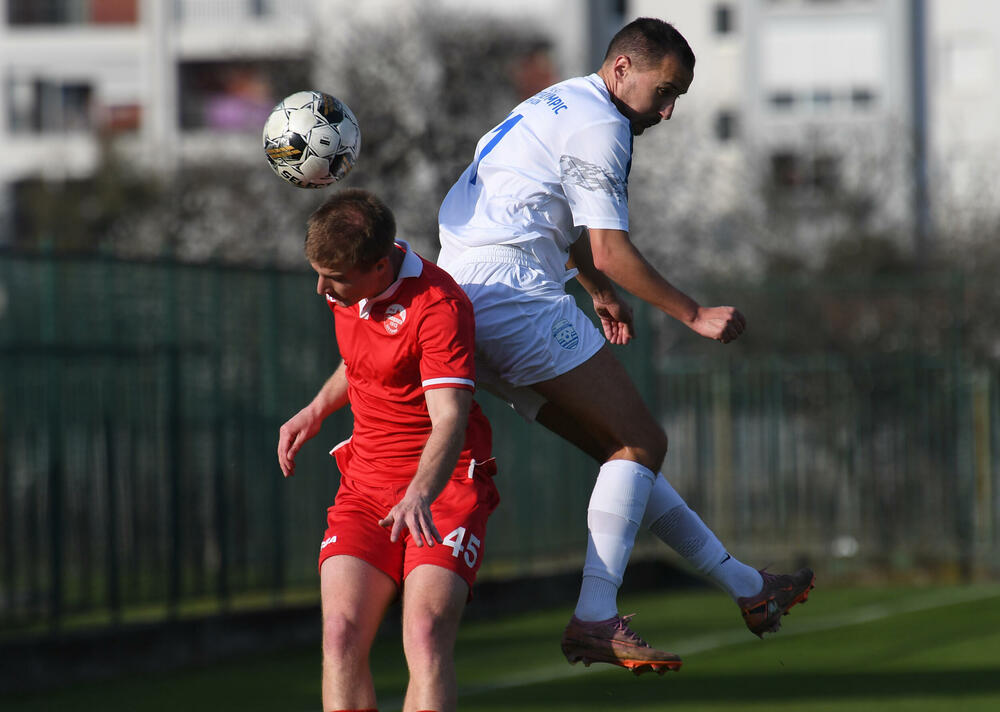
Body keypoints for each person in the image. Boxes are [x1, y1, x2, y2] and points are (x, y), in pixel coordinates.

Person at [437, 17, 813, 675]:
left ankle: (749, 589)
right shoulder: (601, 124)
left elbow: (560, 220)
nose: (666, 112)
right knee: (644, 442)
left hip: (464, 298)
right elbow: (612, 246)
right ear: (622, 69)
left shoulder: (555, 101)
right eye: (663, 91)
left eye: (677, 99)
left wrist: (594, 288)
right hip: (513, 296)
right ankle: (593, 617)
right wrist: (693, 313)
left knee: (626, 457)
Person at [278, 188, 500, 712]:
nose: (320, 289)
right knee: (340, 634)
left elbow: (449, 418)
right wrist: (315, 410)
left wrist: (421, 492)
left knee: (423, 635)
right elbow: (364, 363)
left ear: (380, 268)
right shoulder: (348, 285)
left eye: (333, 280)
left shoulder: (439, 308)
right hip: (365, 486)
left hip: (442, 491)